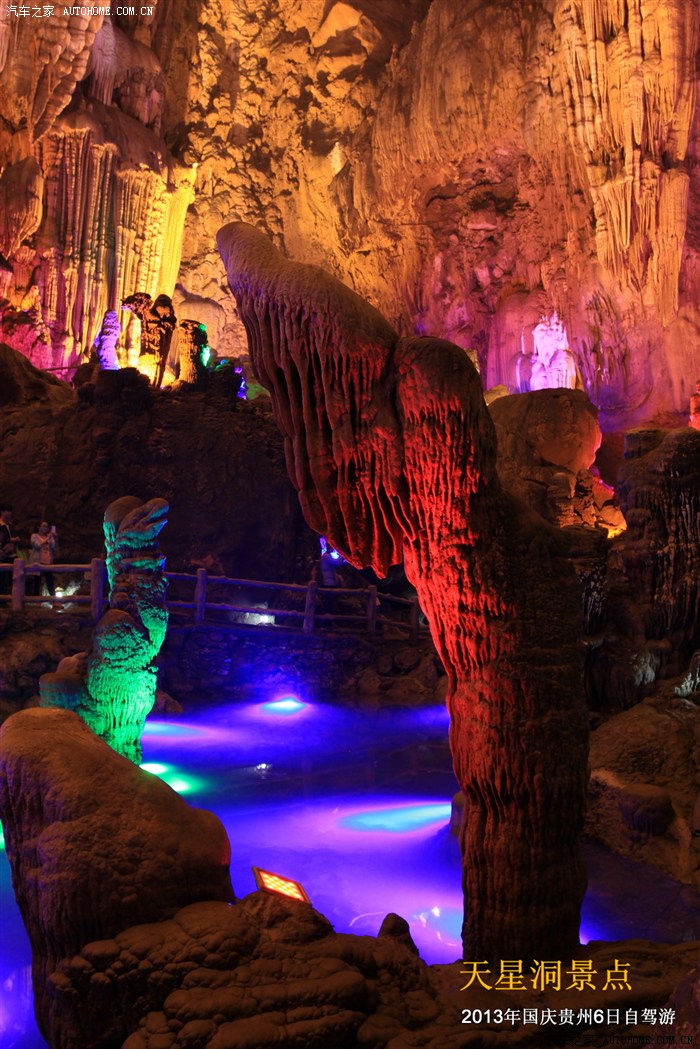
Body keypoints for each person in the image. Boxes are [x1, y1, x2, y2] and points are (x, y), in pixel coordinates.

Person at [29, 521, 58, 597]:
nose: (45, 528)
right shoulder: (34, 536)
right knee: (37, 581)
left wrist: (55, 538)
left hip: (47, 561)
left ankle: (53, 599)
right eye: (43, 526)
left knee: (50, 581)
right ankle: (36, 600)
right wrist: (48, 538)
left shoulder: (49, 537)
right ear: (39, 527)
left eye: (46, 526)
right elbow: (37, 545)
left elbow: (55, 547)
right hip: (38, 561)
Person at [0, 505, 20, 595]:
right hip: (2, 555)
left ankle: (14, 596)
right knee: (2, 578)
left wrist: (15, 540)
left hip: (12, 554)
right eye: (7, 511)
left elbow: (15, 537)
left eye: (10, 511)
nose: (9, 513)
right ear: (2, 512)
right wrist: (10, 540)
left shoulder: (11, 525)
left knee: (15, 575)